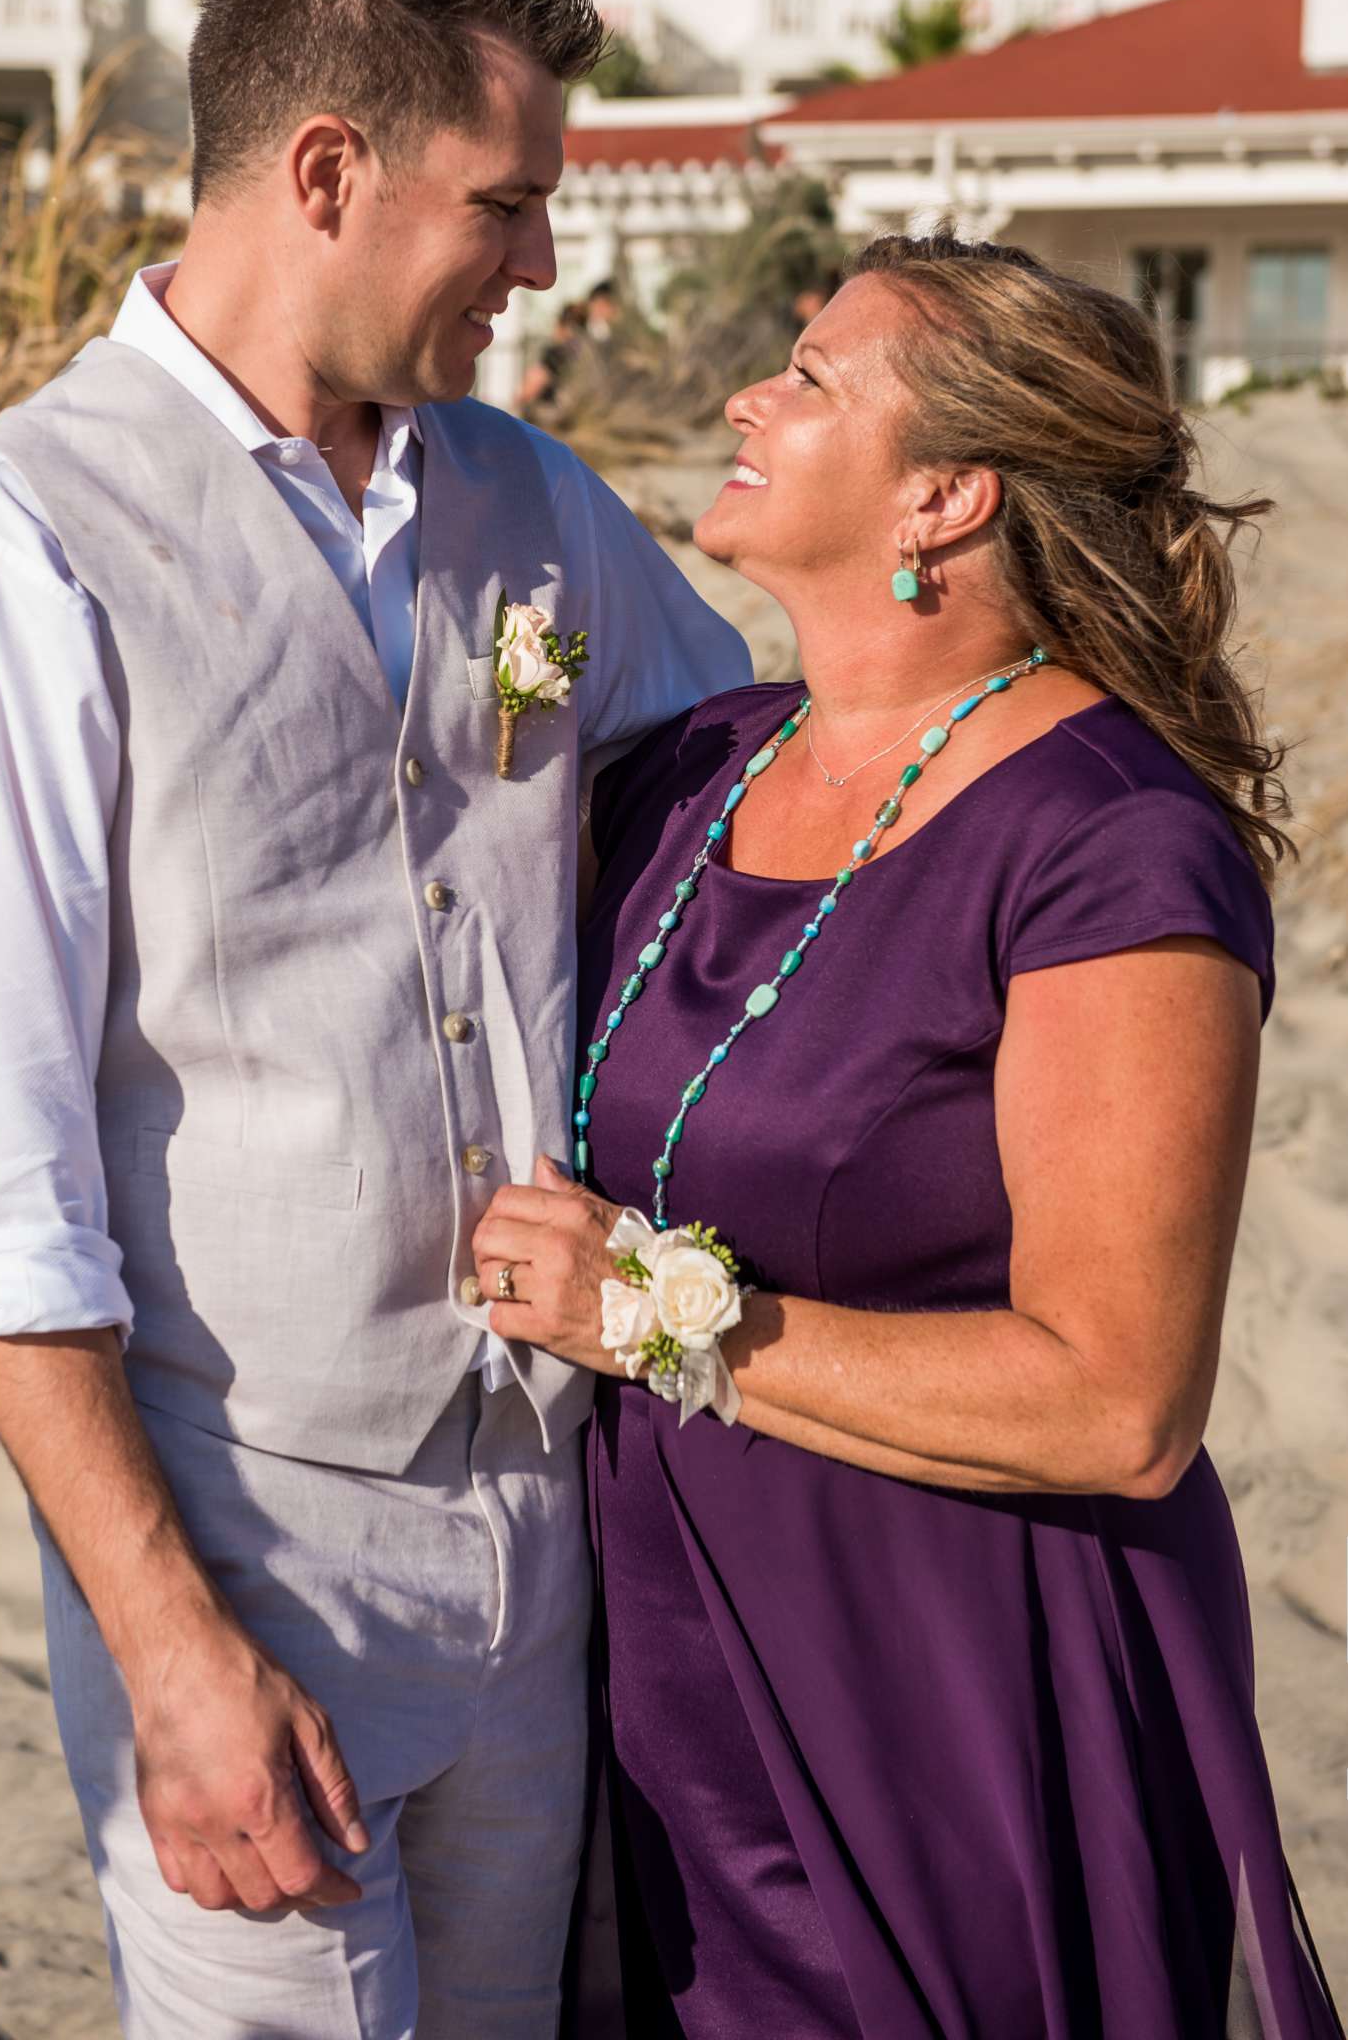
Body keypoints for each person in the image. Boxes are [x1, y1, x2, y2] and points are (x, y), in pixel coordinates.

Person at [0, 0, 751, 2040]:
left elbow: (742, 823)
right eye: (508, 206)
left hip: (548, 1525)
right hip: (245, 1546)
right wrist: (171, 1647)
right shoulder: (12, 543)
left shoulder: (535, 502)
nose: (545, 266)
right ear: (327, 172)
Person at [471, 230, 1343, 2037]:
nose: (746, 394)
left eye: (807, 373)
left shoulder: (1106, 844)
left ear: (942, 494)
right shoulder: (684, 769)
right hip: (663, 1673)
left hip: (944, 1677)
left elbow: (1118, 1405)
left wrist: (649, 1312)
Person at [517, 296, 588, 419]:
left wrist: (520, 400)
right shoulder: (582, 350)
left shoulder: (557, 352)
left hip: (550, 415)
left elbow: (535, 382)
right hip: (577, 416)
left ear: (562, 325)